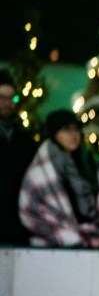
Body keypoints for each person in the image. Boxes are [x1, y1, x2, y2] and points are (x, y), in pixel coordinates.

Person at [18, 109, 99, 248]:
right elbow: (29, 212)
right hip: (52, 250)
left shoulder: (88, 165)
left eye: (76, 129)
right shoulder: (40, 173)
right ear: (55, 134)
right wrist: (69, 237)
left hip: (94, 245)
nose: (73, 135)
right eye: (66, 130)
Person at [0, 70, 39, 245]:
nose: (7, 103)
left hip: (17, 228)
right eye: (2, 97)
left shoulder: (25, 141)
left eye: (12, 98)